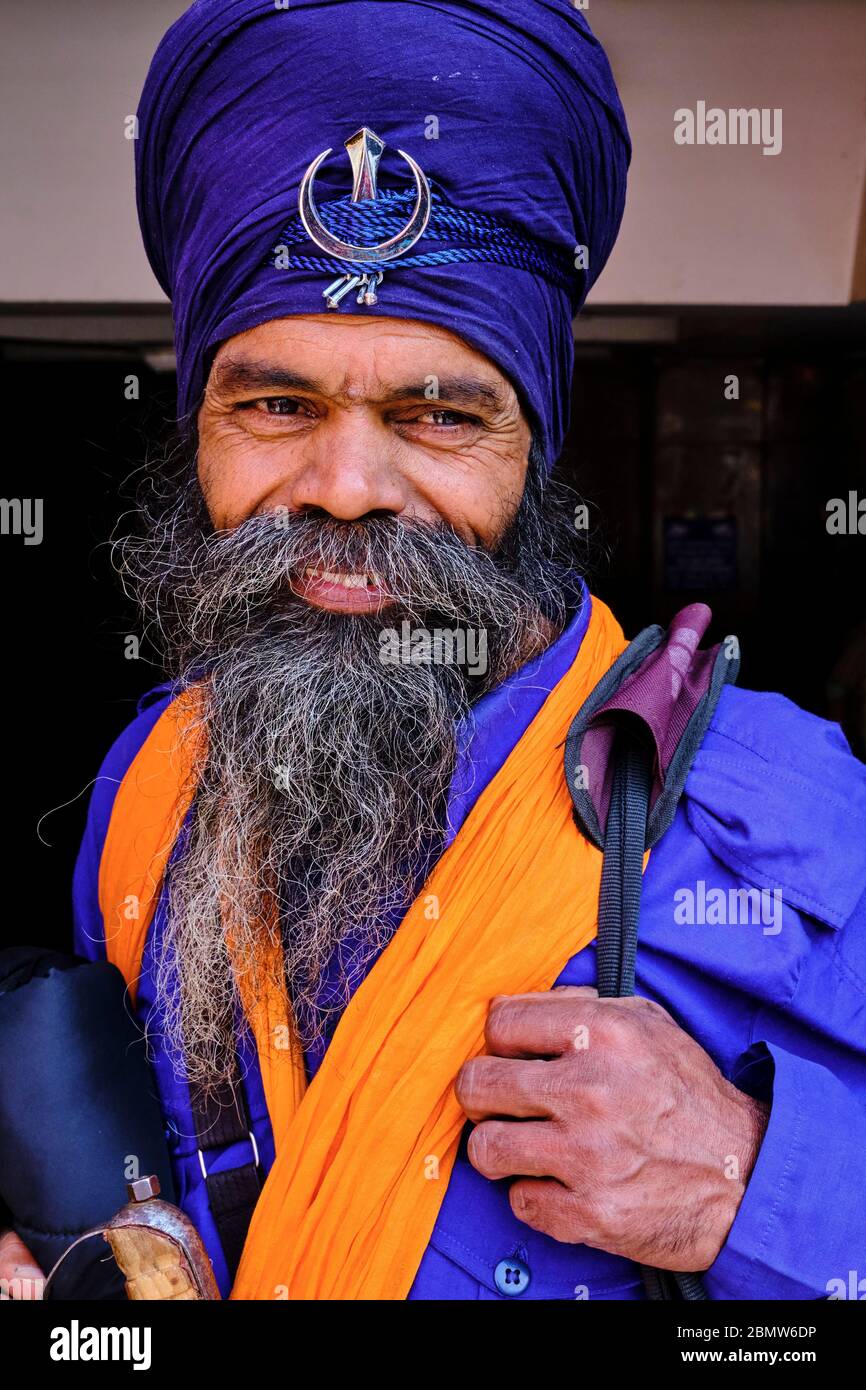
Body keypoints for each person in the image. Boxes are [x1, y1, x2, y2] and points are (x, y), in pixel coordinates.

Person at [3, 0, 865, 1302]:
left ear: (534, 446)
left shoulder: (782, 816)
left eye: (437, 411)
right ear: (200, 433)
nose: (346, 484)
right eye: (277, 403)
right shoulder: (154, 782)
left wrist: (756, 1177)